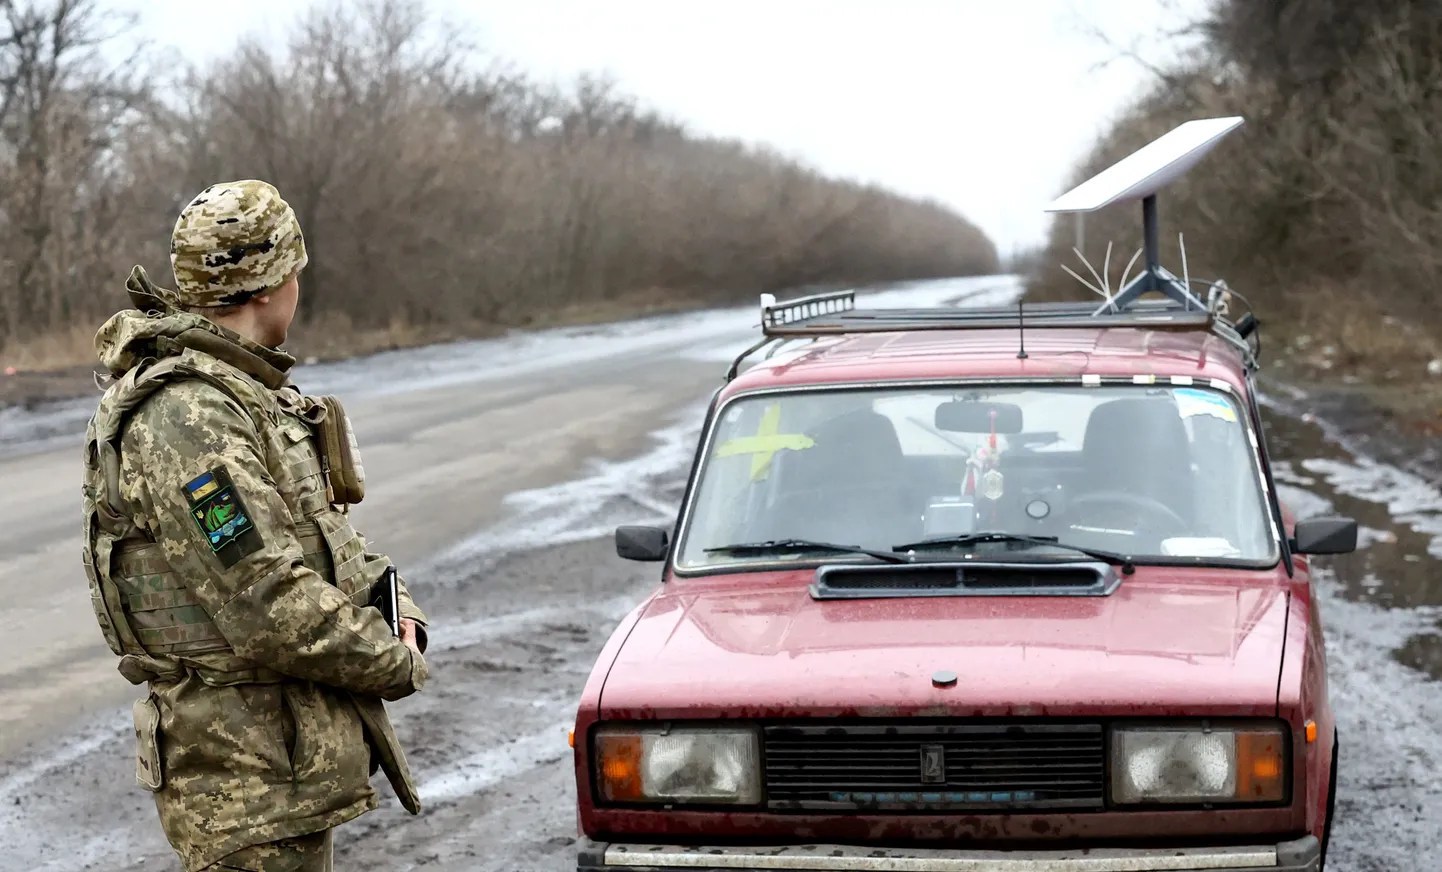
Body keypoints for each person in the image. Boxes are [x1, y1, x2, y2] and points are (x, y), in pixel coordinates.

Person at [81, 180, 430, 872]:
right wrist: (391, 658)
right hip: (245, 780)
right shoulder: (190, 416)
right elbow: (266, 600)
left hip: (282, 770)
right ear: (274, 284)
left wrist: (398, 605)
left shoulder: (247, 395)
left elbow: (326, 536)